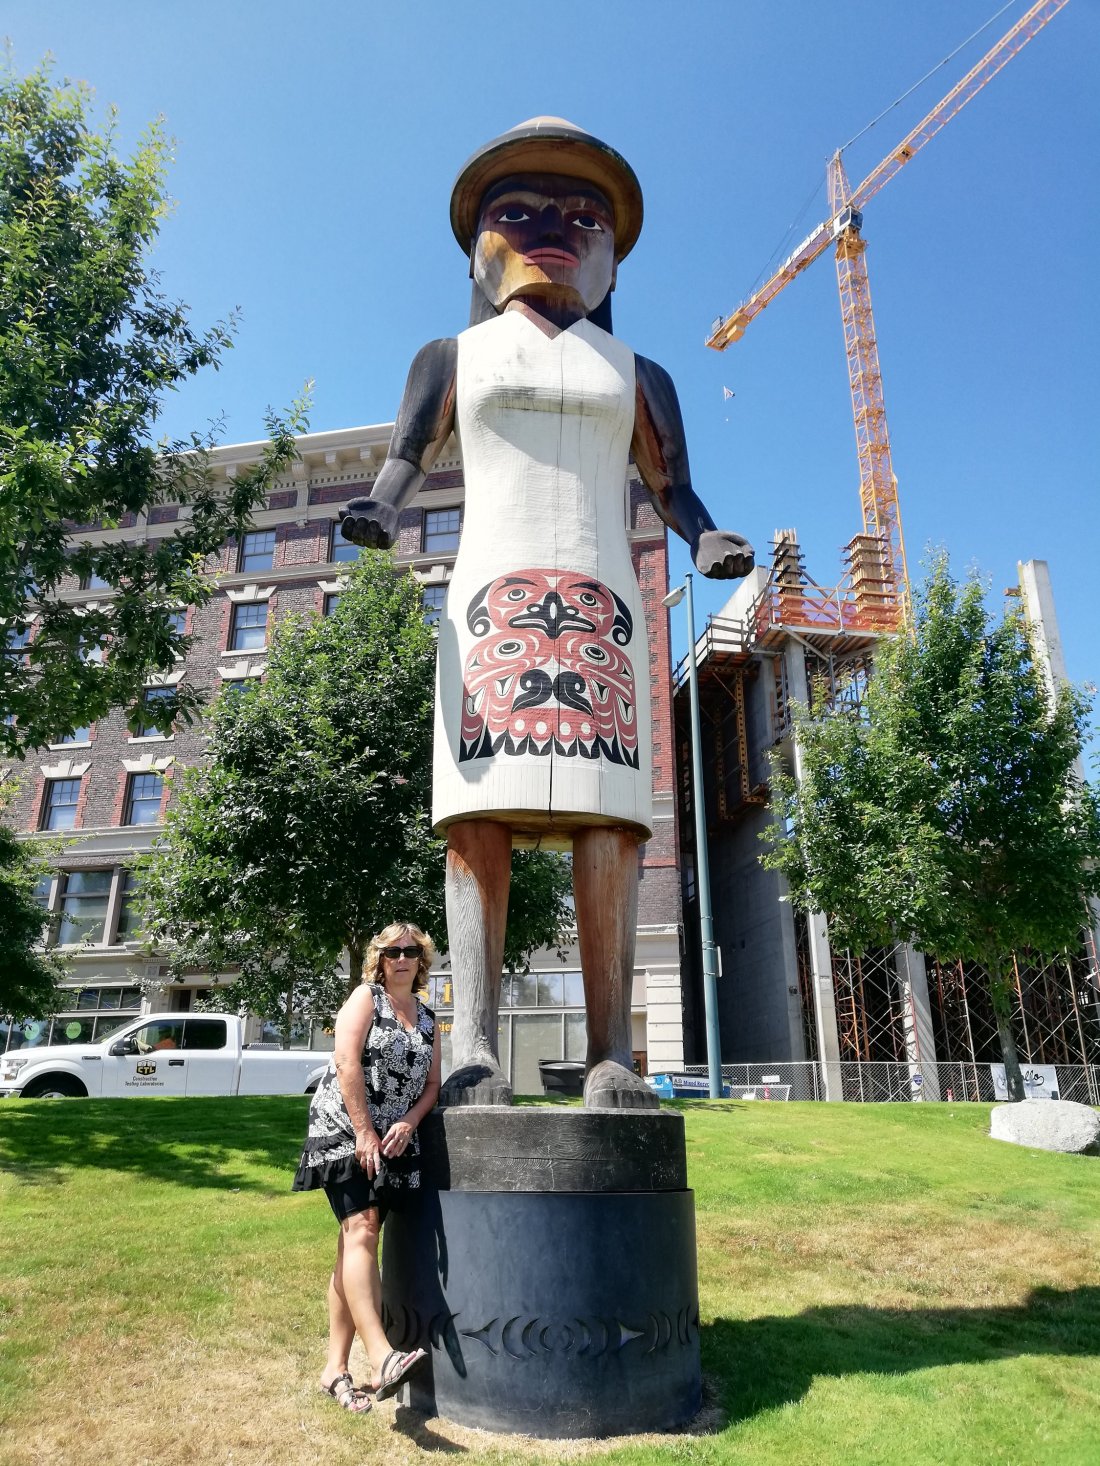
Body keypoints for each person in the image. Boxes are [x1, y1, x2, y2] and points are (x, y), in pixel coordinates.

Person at [340, 118, 754, 1112]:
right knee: (477, 816)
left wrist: (704, 539)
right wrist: (380, 510)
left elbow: (672, 487)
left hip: (603, 600)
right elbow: (404, 460)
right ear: (478, 248)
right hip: (494, 597)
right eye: (518, 212)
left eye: (582, 216)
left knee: (610, 822)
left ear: (612, 257)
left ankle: (612, 1053)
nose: (553, 230)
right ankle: (476, 1047)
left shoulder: (638, 373)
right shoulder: (452, 355)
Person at [292, 922, 440, 1411]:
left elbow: (432, 1086)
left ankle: (334, 1370)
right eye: (392, 952)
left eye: (411, 951)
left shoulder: (427, 1017)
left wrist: (410, 1122)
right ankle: (380, 1358)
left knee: (350, 1246)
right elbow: (345, 1060)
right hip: (345, 1127)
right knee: (363, 1228)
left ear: (422, 960)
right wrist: (363, 1131)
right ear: (379, 959)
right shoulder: (366, 998)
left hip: (392, 1139)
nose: (402, 959)